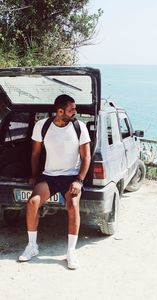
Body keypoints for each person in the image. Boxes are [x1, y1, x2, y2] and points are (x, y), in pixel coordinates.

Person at [18, 94, 91, 270]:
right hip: (49, 176)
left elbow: (86, 156)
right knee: (32, 202)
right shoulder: (42, 126)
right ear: (60, 111)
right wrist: (35, 175)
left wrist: (79, 181)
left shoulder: (79, 127)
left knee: (73, 204)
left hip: (72, 176)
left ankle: (71, 251)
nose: (75, 111)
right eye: (71, 109)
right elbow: (35, 154)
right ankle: (32, 246)